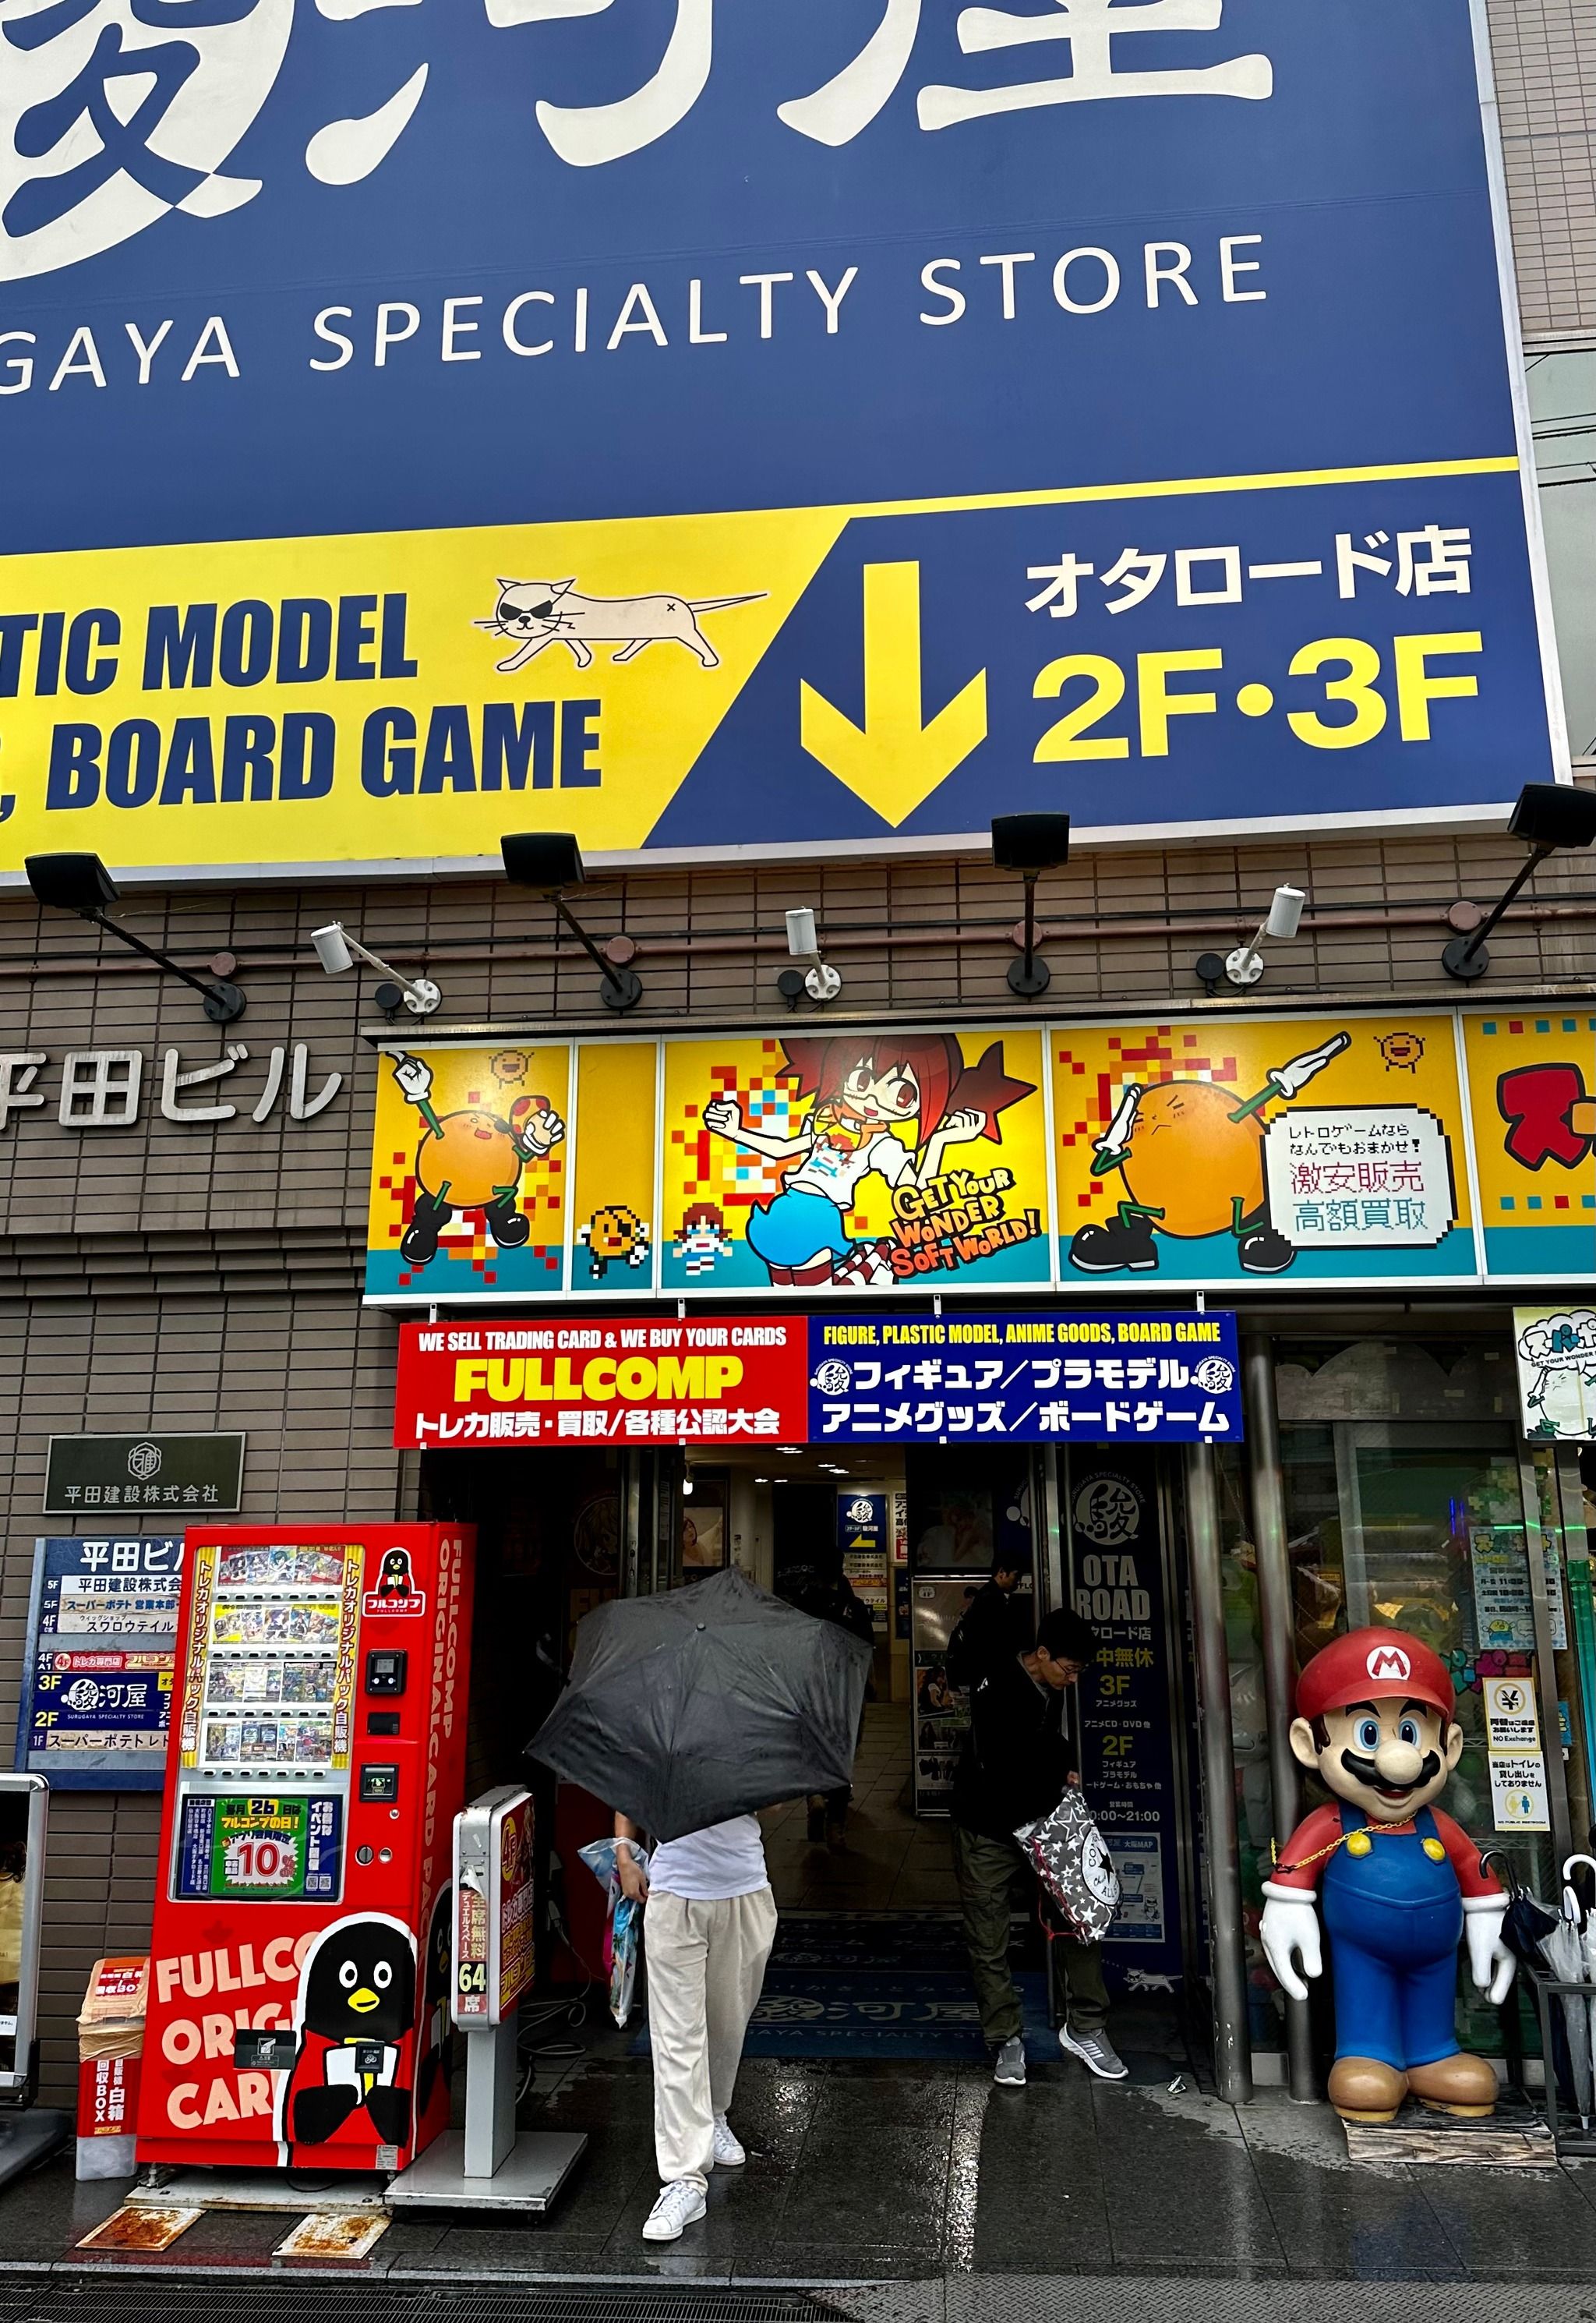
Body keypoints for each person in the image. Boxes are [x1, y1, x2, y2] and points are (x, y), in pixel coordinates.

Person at [950, 1606, 1127, 2089]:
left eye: (1079, 1672)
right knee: (989, 1937)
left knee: (1079, 1916)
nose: (1073, 1680)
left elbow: (1046, 1743)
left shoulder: (1052, 1685)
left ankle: (1086, 2026)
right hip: (987, 1828)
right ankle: (1005, 2038)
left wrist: (1061, 1767)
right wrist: (1055, 1771)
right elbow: (1006, 1764)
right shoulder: (995, 1687)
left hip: (1044, 1823)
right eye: (1069, 1669)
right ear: (1042, 1654)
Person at [616, 1811, 776, 2243]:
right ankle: (684, 2178)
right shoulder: (667, 1754)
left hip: (744, 1890)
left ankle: (714, 2113)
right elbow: (631, 1789)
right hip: (674, 1893)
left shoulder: (755, 1755)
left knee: (727, 2025)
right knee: (677, 2040)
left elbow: (776, 1803)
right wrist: (625, 1854)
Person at [795, 1570, 877, 1844]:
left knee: (814, 1750)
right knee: (842, 1755)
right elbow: (867, 1648)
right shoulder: (854, 1607)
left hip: (813, 1692)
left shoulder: (805, 1604)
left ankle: (816, 1796)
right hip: (846, 1693)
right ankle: (836, 1826)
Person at [946, 1554, 1030, 1688]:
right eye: (1016, 1575)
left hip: (980, 1672)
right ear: (1002, 1572)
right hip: (987, 1672)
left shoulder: (986, 1595)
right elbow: (995, 1641)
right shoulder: (991, 1599)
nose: (1018, 1581)